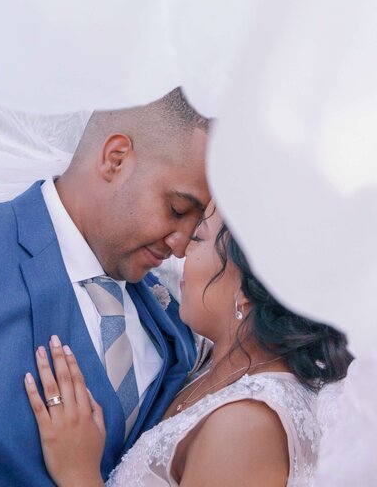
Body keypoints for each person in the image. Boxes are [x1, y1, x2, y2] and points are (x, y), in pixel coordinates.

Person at [0, 88, 211, 486]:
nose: (181, 245)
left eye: (197, 223)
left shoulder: (173, 324)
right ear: (115, 158)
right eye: (176, 209)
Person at [25, 205, 353, 487]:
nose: (182, 250)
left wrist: (79, 473)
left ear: (248, 286)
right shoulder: (219, 366)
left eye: (198, 237)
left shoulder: (246, 427)